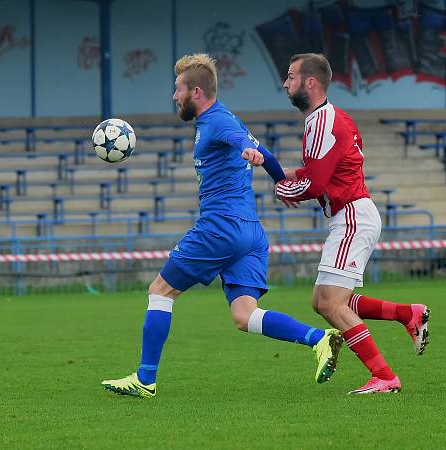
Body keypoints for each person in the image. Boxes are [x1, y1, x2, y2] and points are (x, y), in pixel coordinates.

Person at [101, 53, 343, 398]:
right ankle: (319, 338)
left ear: (196, 92)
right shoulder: (221, 117)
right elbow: (266, 154)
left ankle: (145, 378)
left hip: (221, 227)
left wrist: (249, 151)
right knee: (245, 316)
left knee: (160, 291)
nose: (174, 96)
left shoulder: (217, 122)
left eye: (178, 89)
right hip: (250, 232)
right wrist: (279, 182)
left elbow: (244, 143)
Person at [275, 53, 429, 394]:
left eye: (290, 77)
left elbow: (314, 184)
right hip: (353, 214)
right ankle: (408, 314)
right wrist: (278, 171)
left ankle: (385, 376)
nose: (285, 84)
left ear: (310, 82)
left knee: (331, 303)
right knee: (322, 300)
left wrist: (285, 189)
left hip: (351, 217)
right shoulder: (335, 117)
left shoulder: (319, 122)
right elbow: (317, 172)